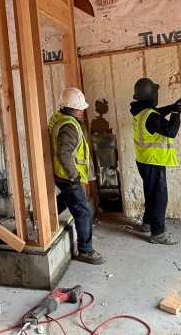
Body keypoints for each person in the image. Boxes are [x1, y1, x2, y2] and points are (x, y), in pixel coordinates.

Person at [49, 87, 106, 264]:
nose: (81, 111)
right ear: (67, 108)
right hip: (68, 176)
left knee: (68, 199)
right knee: (82, 211)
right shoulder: (69, 126)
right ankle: (85, 250)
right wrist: (74, 176)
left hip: (61, 174)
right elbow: (63, 154)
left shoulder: (58, 118)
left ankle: (37, 216)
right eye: (78, 109)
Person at [130, 78, 181, 245]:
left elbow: (157, 113)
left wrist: (171, 107)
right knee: (159, 196)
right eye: (155, 92)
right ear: (150, 96)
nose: (157, 95)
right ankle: (158, 233)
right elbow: (171, 131)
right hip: (153, 161)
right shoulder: (150, 116)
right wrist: (176, 113)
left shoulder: (141, 112)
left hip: (144, 159)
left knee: (151, 192)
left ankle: (147, 222)